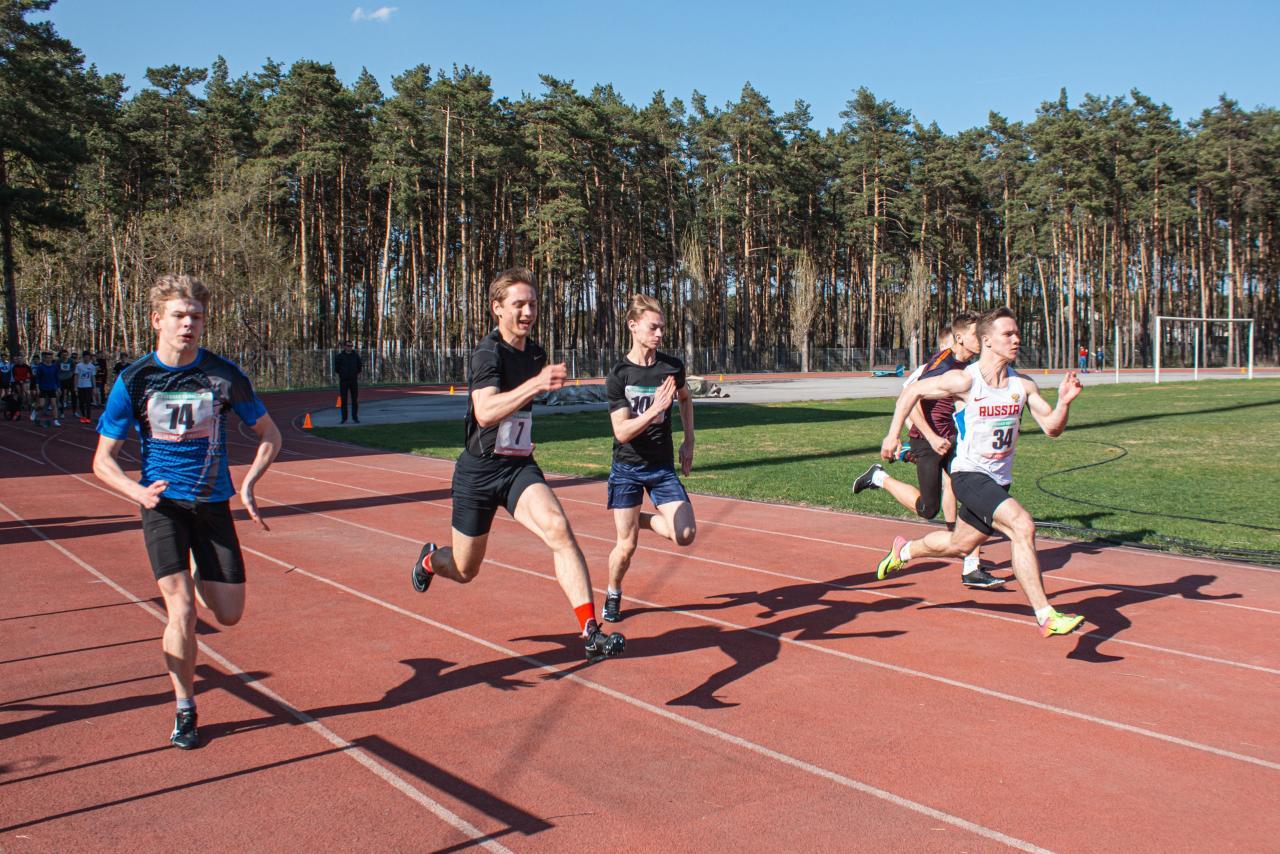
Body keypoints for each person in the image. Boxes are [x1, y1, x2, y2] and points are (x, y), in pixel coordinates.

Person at [93, 274, 282, 749]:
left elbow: (271, 435)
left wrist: (249, 484)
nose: (188, 324)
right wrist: (135, 492)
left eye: (196, 316)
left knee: (230, 613)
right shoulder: (134, 380)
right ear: (157, 320)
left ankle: (201, 570)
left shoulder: (223, 375)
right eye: (178, 315)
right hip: (162, 504)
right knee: (180, 612)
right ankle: (185, 707)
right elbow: (101, 460)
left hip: (212, 502)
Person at [409, 267, 625, 663]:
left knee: (559, 530)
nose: (528, 312)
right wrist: (536, 384)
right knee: (463, 569)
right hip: (477, 473)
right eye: (519, 304)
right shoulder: (487, 353)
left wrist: (524, 431)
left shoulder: (536, 353)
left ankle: (590, 632)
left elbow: (516, 413)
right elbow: (486, 411)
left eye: (533, 304)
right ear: (497, 309)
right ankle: (428, 560)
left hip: (517, 468)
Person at [873, 307, 1086, 638]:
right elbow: (912, 391)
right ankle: (1046, 615)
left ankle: (905, 550)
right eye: (1008, 334)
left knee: (958, 546)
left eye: (1017, 333)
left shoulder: (1023, 385)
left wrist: (1064, 403)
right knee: (1022, 526)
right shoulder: (966, 380)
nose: (1016, 339)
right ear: (987, 341)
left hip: (999, 481)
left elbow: (1052, 428)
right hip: (969, 475)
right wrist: (892, 434)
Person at [852, 313, 1004, 589]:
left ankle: (972, 567)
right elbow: (911, 399)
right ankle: (879, 478)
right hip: (927, 440)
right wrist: (930, 437)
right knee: (927, 508)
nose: (982, 338)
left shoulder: (967, 365)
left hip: (953, 440)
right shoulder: (941, 365)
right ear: (960, 338)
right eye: (976, 333)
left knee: (972, 493)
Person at [602, 294, 697, 623]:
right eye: (653, 327)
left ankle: (639, 518)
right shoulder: (619, 375)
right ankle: (613, 592)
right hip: (627, 468)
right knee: (626, 547)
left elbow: (685, 399)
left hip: (661, 468)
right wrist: (655, 410)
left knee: (685, 535)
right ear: (633, 326)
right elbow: (622, 432)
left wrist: (689, 440)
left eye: (662, 328)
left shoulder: (671, 368)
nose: (660, 334)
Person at [333, 340, 362, 424]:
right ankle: (344, 418)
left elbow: (360, 366)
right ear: (344, 346)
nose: (350, 347)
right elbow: (337, 368)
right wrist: (343, 374)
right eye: (348, 346)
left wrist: (354, 373)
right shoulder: (340, 356)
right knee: (344, 400)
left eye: (351, 346)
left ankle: (355, 417)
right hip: (344, 381)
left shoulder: (355, 356)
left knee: (354, 400)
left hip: (353, 380)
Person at [32, 351, 62, 426]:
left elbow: (57, 378)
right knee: (41, 405)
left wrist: (58, 388)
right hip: (43, 388)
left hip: (52, 387)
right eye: (47, 358)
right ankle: (35, 411)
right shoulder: (41, 367)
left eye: (50, 358)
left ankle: (55, 420)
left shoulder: (54, 367)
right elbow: (38, 378)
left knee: (54, 404)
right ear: (44, 358)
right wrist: (38, 388)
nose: (49, 359)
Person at [74, 351, 97, 423]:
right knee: (81, 402)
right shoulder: (79, 366)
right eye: (85, 357)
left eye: (88, 357)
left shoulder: (92, 366)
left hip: (88, 386)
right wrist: (75, 386)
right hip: (80, 386)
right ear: (83, 357)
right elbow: (76, 376)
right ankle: (83, 416)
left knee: (88, 402)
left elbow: (93, 377)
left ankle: (88, 417)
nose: (87, 359)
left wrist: (94, 387)